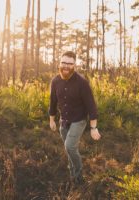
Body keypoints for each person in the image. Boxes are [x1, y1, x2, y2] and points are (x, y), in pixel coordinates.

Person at [49, 51, 101, 185]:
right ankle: (72, 172)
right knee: (69, 148)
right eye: (63, 62)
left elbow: (91, 106)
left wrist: (93, 127)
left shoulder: (82, 82)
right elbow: (53, 102)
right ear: (59, 63)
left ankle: (78, 176)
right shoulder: (55, 81)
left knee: (69, 146)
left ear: (74, 65)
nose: (66, 66)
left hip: (79, 120)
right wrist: (52, 119)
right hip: (63, 121)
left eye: (69, 63)